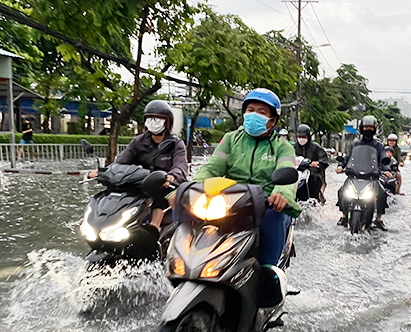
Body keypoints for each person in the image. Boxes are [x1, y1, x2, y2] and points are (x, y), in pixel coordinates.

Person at [188, 88, 300, 266]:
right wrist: (190, 189)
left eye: (261, 112)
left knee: (273, 217)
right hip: (231, 201)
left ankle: (270, 269)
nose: (254, 115)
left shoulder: (283, 146)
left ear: (272, 120)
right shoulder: (231, 139)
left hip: (266, 204)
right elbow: (211, 168)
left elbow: (287, 173)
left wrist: (281, 195)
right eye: (250, 110)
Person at [88, 100, 188, 228]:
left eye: (158, 119)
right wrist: (104, 172)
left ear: (167, 122)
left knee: (161, 191)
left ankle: (154, 228)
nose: (153, 122)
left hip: (166, 185)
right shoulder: (138, 142)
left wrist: (171, 176)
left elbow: (180, 166)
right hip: (141, 183)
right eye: (150, 118)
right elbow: (121, 162)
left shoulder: (176, 144)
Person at [336, 115, 391, 231]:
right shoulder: (355, 144)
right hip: (354, 176)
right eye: (366, 127)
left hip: (371, 178)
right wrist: (341, 166)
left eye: (370, 127)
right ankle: (344, 216)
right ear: (361, 128)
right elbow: (347, 158)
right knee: (341, 191)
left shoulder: (378, 145)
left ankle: (378, 219)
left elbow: (383, 159)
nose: (368, 129)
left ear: (374, 129)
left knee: (382, 193)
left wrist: (387, 170)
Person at [294, 124, 329, 202]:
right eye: (299, 137)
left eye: (304, 137)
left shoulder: (316, 148)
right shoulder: (293, 147)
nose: (301, 139)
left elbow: (324, 161)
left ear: (308, 137)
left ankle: (315, 198)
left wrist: (316, 164)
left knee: (314, 178)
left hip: (311, 173)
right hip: (297, 173)